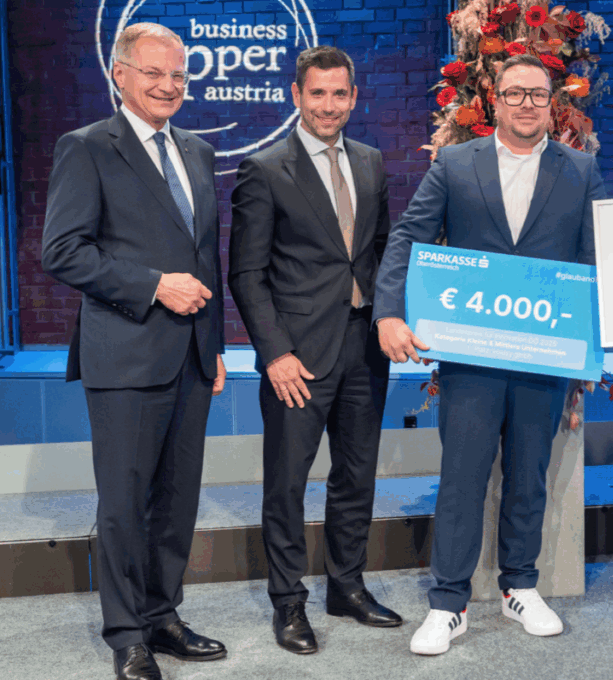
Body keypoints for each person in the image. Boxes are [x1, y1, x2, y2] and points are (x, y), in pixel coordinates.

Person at [372, 53, 605, 655]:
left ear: (552, 104)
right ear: (494, 101)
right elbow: (409, 236)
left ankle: (520, 587)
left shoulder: (581, 170)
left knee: (529, 475)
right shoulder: (455, 163)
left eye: (538, 94)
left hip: (543, 353)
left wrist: (606, 337)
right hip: (470, 355)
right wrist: (389, 312)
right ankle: (447, 603)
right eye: (515, 93)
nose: (527, 104)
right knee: (462, 477)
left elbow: (594, 260)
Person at [40, 22, 226, 680]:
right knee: (124, 506)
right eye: (153, 73)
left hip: (193, 357)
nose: (168, 86)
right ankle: (127, 635)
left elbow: (206, 255)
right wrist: (152, 285)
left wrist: (215, 344)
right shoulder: (86, 147)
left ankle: (162, 616)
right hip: (124, 356)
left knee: (176, 502)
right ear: (119, 74)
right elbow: (62, 250)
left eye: (178, 75)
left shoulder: (198, 150)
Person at [228, 45, 400, 655]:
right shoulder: (264, 169)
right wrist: (274, 353)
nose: (329, 105)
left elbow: (380, 253)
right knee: (287, 484)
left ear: (353, 97)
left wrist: (392, 317)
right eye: (318, 93)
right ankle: (288, 602)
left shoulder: (371, 161)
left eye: (339, 93)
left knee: (356, 476)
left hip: (363, 346)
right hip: (296, 357)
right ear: (296, 95)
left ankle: (346, 587)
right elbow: (247, 274)